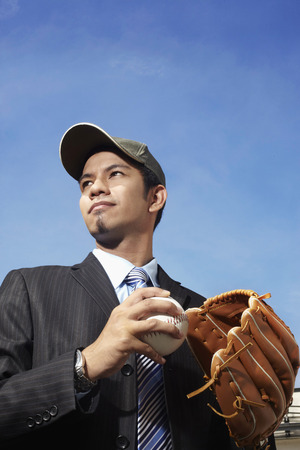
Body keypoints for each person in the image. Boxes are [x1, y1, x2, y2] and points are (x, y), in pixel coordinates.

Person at [0, 123, 276, 449]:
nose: (94, 188)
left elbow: (237, 430)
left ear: (155, 197)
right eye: (86, 182)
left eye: (114, 174)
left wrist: (262, 430)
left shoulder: (211, 317)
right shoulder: (30, 288)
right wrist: (84, 366)